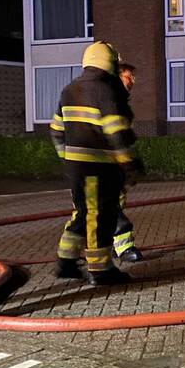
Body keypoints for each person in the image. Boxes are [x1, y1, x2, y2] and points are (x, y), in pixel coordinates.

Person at [49, 42, 140, 285]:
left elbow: (56, 130)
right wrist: (128, 163)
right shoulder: (104, 90)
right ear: (108, 63)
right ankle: (101, 270)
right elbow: (116, 131)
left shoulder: (69, 90)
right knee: (100, 217)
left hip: (77, 168)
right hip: (99, 168)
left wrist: (69, 158)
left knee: (84, 212)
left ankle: (66, 261)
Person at [113, 62, 142, 263]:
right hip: (103, 163)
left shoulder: (120, 101)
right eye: (128, 76)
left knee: (116, 203)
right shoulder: (110, 99)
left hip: (115, 163)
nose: (133, 80)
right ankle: (123, 247)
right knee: (107, 206)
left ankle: (114, 247)